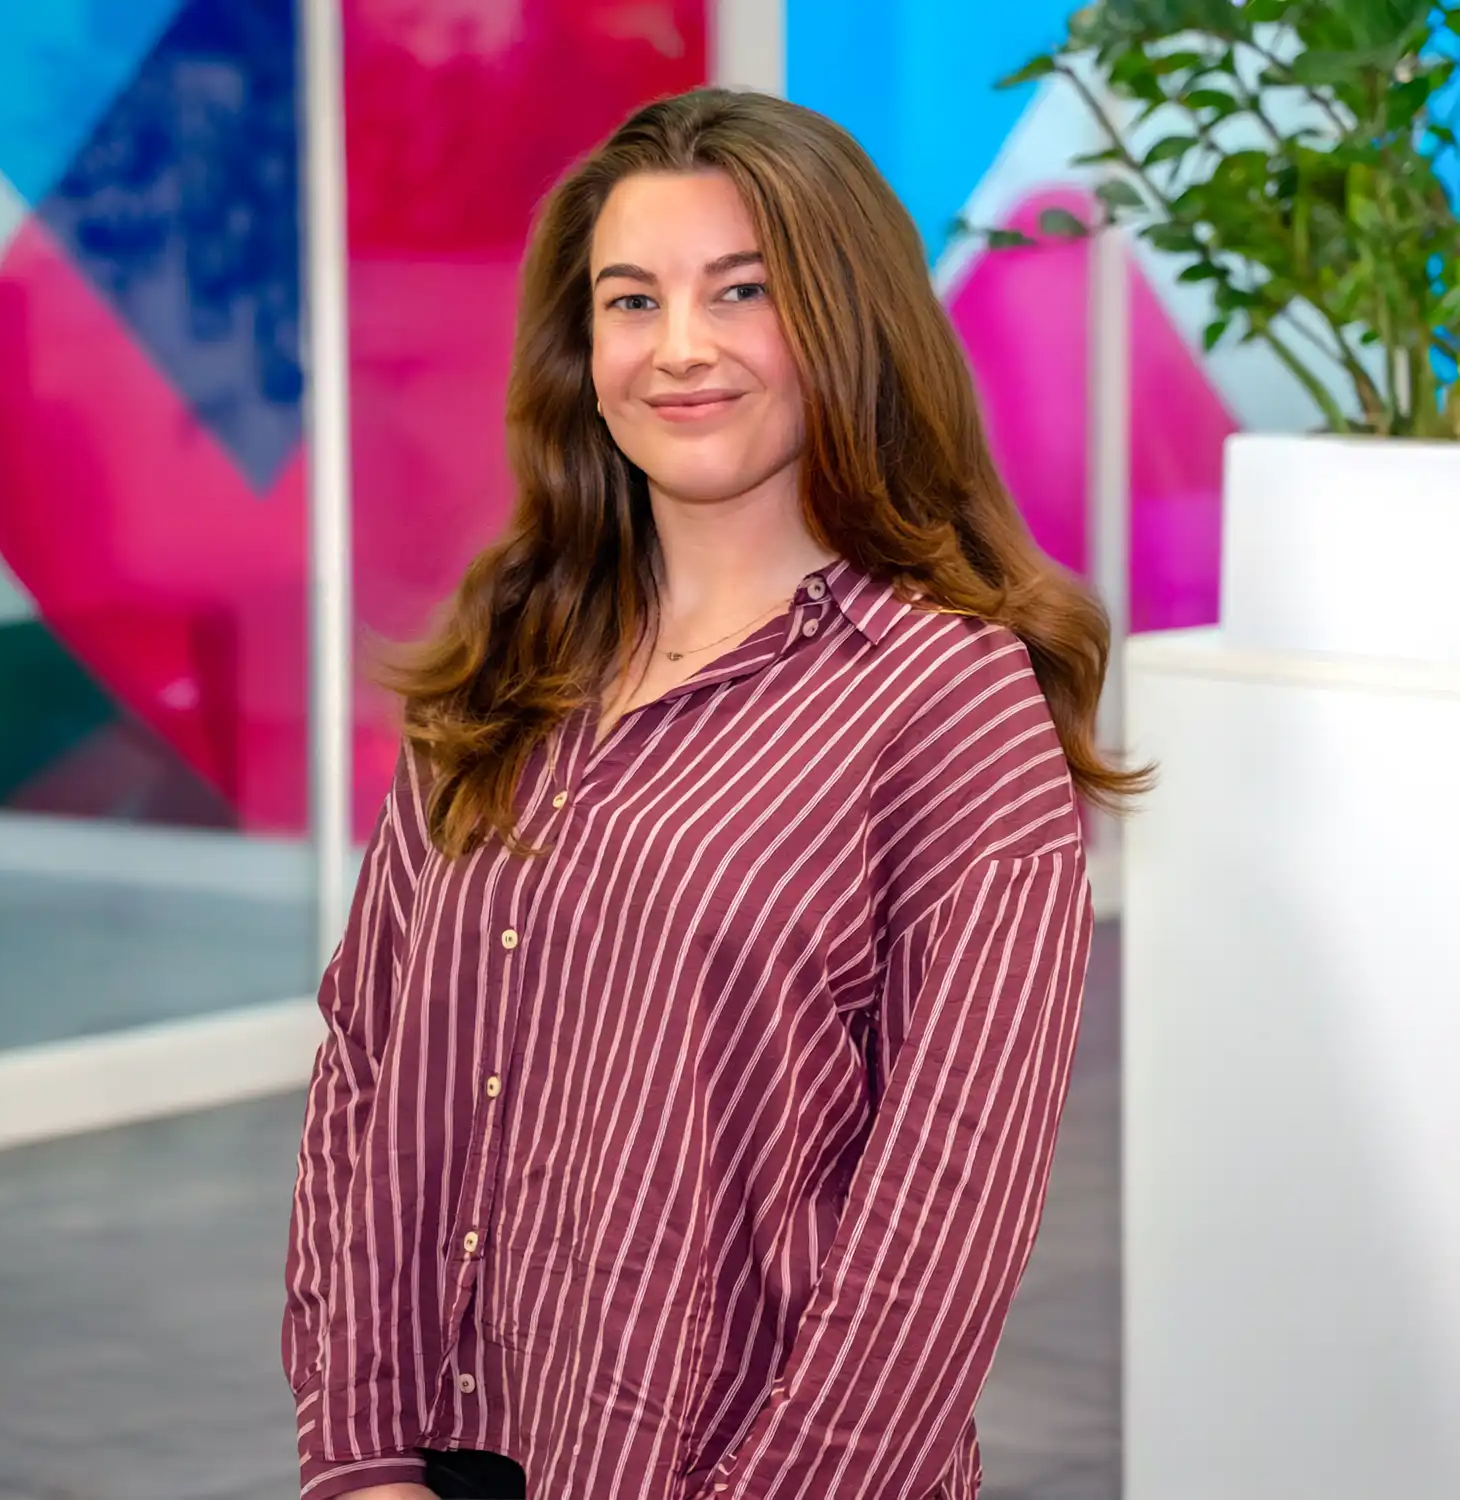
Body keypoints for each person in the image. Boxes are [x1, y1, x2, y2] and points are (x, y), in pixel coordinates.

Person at [282, 86, 1149, 1500]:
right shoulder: (504, 651)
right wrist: (359, 1450)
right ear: (584, 348)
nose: (677, 349)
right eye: (630, 301)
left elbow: (949, 1204)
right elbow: (366, 1057)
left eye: (740, 292)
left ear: (845, 320)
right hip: (443, 1451)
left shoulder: (946, 698)